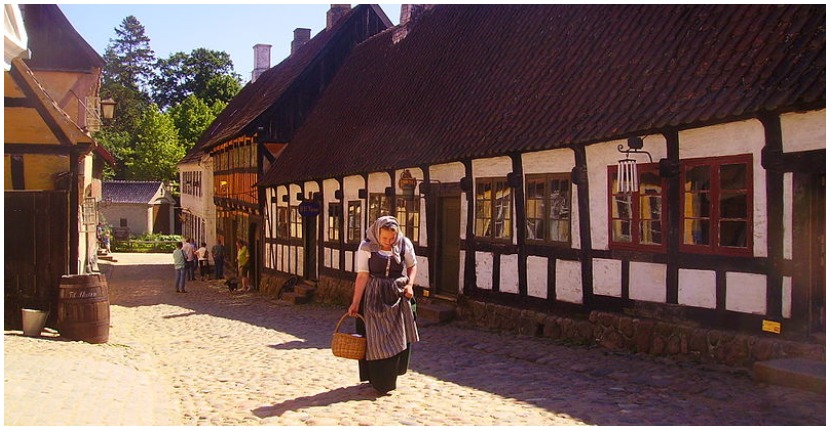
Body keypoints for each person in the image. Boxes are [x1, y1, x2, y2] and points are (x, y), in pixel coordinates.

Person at [348, 215, 419, 395]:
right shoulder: (366, 246)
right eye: (385, 238)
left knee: (397, 335)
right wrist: (355, 302)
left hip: (397, 293)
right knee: (375, 337)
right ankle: (378, 379)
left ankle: (391, 375)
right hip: (374, 294)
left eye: (392, 238)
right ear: (377, 233)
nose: (388, 242)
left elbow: (412, 265)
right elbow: (362, 275)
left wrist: (410, 285)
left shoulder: (404, 244)